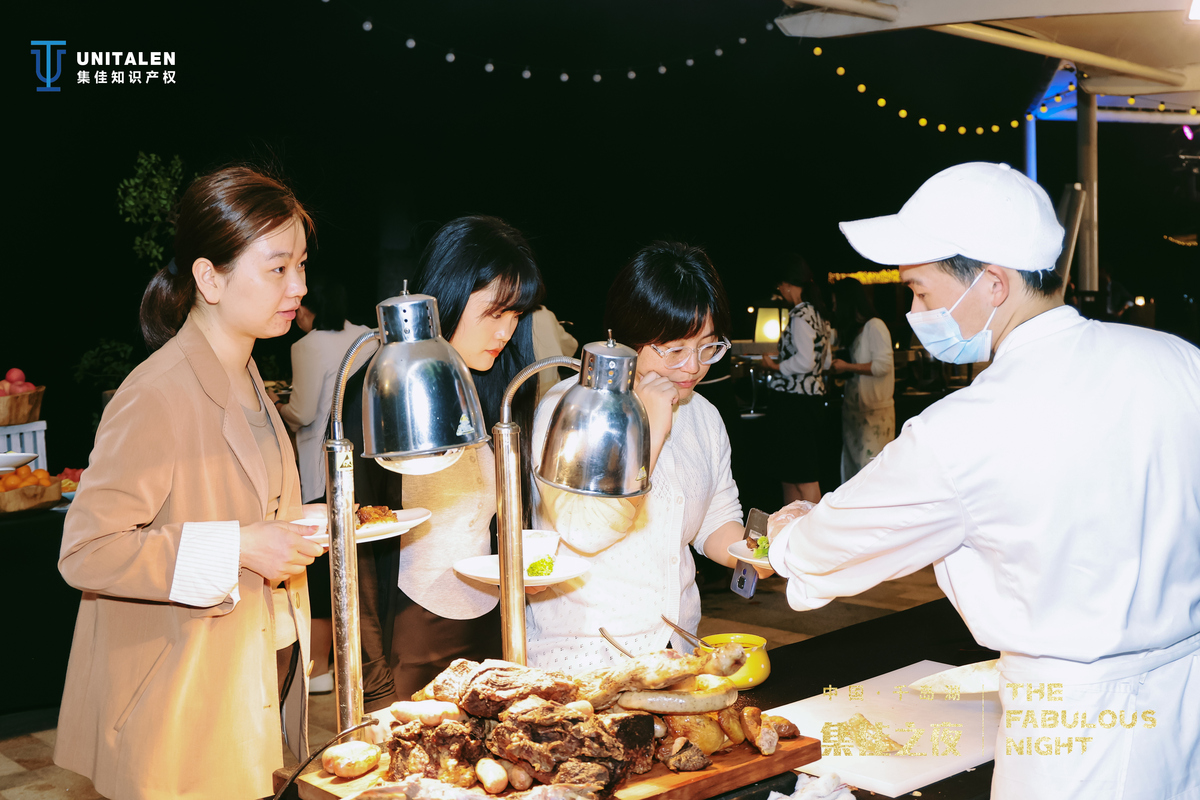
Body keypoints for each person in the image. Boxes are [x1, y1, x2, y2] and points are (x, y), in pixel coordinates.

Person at [767, 162, 1200, 798]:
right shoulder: (1177, 359)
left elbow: (826, 547)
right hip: (1186, 703)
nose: (915, 311)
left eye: (920, 292)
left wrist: (787, 530)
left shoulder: (966, 426)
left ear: (993, 283)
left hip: (1071, 733)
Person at [55, 166, 326, 800]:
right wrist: (240, 546)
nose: (299, 286)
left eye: (301, 265)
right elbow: (86, 550)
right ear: (209, 278)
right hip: (177, 704)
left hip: (246, 675)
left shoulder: (247, 372)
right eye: (278, 268)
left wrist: (299, 524)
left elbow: (245, 503)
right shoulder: (156, 392)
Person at [526, 241, 749, 672]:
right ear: (629, 337)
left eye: (707, 347)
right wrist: (648, 434)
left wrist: (766, 550)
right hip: (586, 656)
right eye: (675, 349)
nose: (693, 367)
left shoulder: (702, 414)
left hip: (676, 650)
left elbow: (716, 520)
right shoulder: (573, 408)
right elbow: (586, 531)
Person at [377, 215, 545, 697]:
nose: (506, 332)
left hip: (489, 621)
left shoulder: (495, 389)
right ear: (449, 294)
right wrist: (372, 678)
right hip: (412, 630)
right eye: (495, 314)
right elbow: (362, 551)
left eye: (516, 316)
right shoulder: (392, 388)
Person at [274, 277, 378, 694]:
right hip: (366, 462)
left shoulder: (306, 345)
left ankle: (319, 670)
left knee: (321, 572)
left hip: (324, 465)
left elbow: (301, 412)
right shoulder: (366, 336)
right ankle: (359, 662)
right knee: (360, 565)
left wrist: (277, 405)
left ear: (305, 309)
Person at [760, 257, 832, 503]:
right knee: (792, 474)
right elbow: (826, 362)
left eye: (780, 285)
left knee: (803, 475)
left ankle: (811, 525)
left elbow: (805, 361)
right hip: (810, 400)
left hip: (794, 403)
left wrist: (775, 366)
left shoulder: (801, 314)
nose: (780, 290)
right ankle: (792, 523)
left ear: (788, 285)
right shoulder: (818, 313)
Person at [829, 277, 895, 482]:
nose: (834, 308)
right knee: (853, 472)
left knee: (871, 474)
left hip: (874, 414)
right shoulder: (854, 331)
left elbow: (883, 366)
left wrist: (847, 367)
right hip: (853, 413)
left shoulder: (875, 326)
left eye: (836, 303)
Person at [530, 304, 579, 400]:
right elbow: (571, 346)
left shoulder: (509, 315)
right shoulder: (544, 313)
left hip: (516, 398)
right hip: (550, 396)